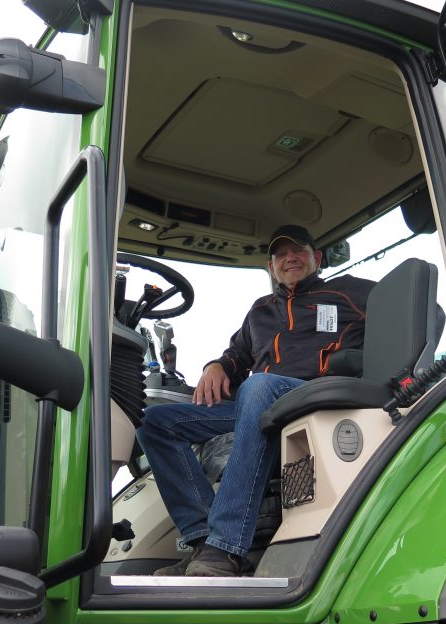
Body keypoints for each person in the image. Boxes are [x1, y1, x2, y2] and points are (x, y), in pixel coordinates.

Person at [137, 224, 375, 577]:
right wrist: (217, 366)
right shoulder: (261, 310)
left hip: (312, 398)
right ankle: (204, 541)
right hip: (258, 405)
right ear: (270, 266)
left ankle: (227, 546)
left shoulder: (350, 293)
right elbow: (237, 355)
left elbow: (415, 309)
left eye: (298, 251)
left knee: (258, 386)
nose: (289, 258)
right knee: (154, 422)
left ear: (317, 258)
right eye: (281, 254)